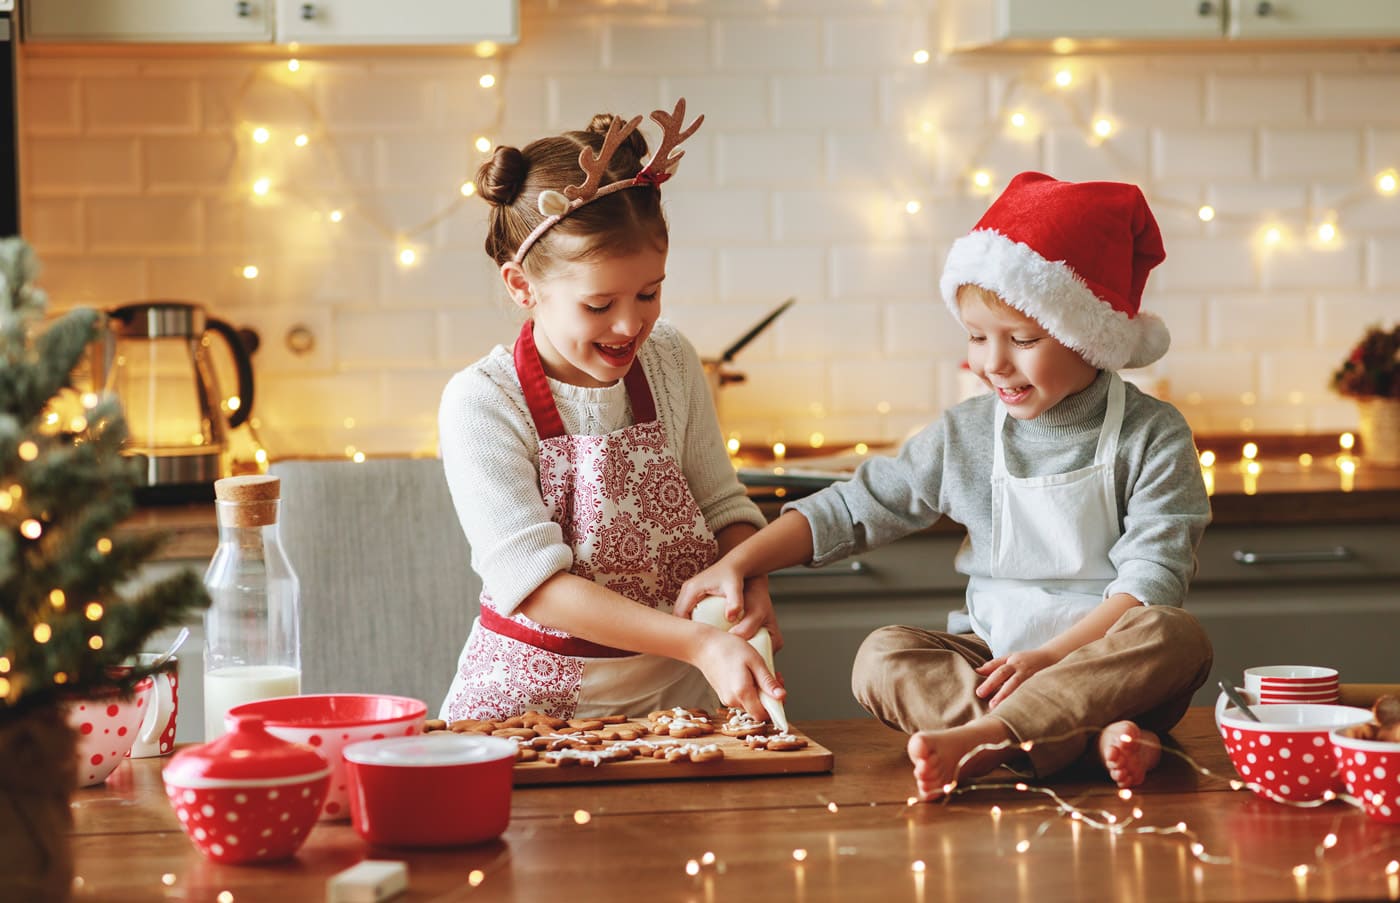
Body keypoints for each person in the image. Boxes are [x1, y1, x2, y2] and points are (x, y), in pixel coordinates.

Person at [676, 171, 1213, 796]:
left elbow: (1152, 582)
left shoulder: (1153, 434)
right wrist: (740, 562)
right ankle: (1086, 742)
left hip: (1111, 664)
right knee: (882, 656)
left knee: (1176, 636)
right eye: (977, 337)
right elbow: (856, 507)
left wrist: (1047, 661)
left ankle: (996, 737)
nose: (993, 362)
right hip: (990, 661)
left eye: (1023, 339)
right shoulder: (966, 435)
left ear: (1087, 335)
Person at [437, 100, 783, 725]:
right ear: (523, 287)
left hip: (680, 692)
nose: (631, 325)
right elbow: (534, 585)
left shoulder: (671, 358)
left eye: (649, 292)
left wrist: (746, 577)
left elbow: (722, 506)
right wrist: (700, 642)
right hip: (530, 704)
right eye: (599, 305)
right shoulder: (483, 402)